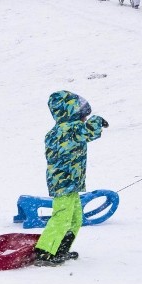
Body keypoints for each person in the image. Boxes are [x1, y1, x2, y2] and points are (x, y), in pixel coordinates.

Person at [33, 90, 108, 265]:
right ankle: (44, 252)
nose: (84, 119)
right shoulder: (67, 129)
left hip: (71, 182)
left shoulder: (65, 130)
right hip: (64, 182)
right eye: (82, 114)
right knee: (62, 217)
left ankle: (59, 249)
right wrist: (97, 121)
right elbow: (89, 132)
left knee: (75, 218)